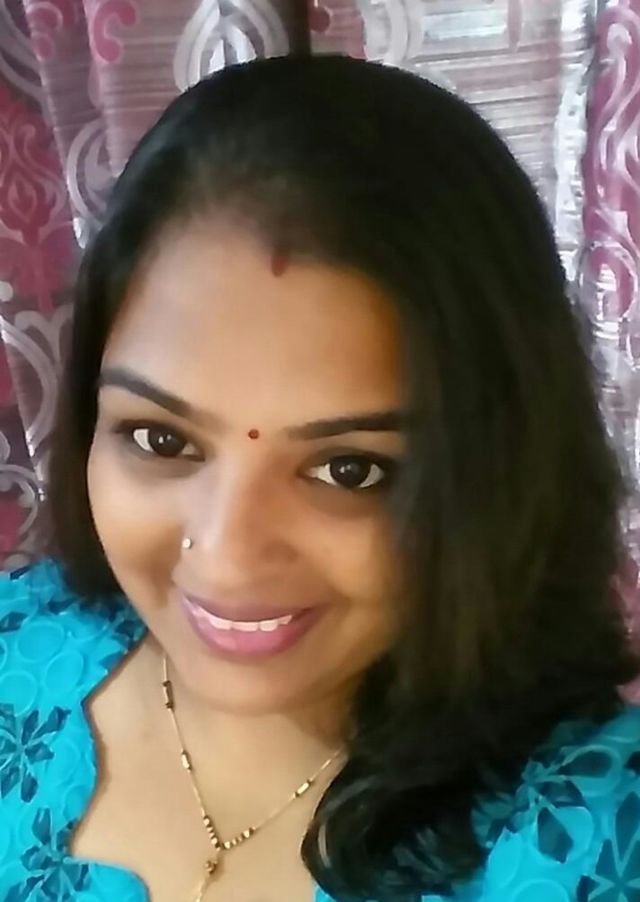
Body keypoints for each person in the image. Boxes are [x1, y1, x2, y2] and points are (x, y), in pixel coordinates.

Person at [0, 52, 638, 902]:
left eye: (348, 469)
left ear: (497, 469)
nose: (226, 556)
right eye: (160, 439)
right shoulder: (18, 649)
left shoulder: (590, 838)